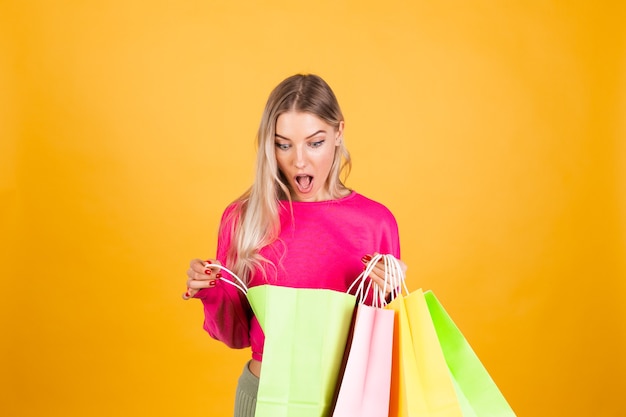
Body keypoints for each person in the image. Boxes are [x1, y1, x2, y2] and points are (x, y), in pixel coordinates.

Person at [183, 73, 406, 417]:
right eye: (283, 144)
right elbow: (236, 336)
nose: (299, 161)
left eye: (314, 142)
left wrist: (389, 292)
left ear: (338, 134)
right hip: (263, 399)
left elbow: (383, 342)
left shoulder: (376, 222)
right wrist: (210, 290)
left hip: (346, 403)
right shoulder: (244, 218)